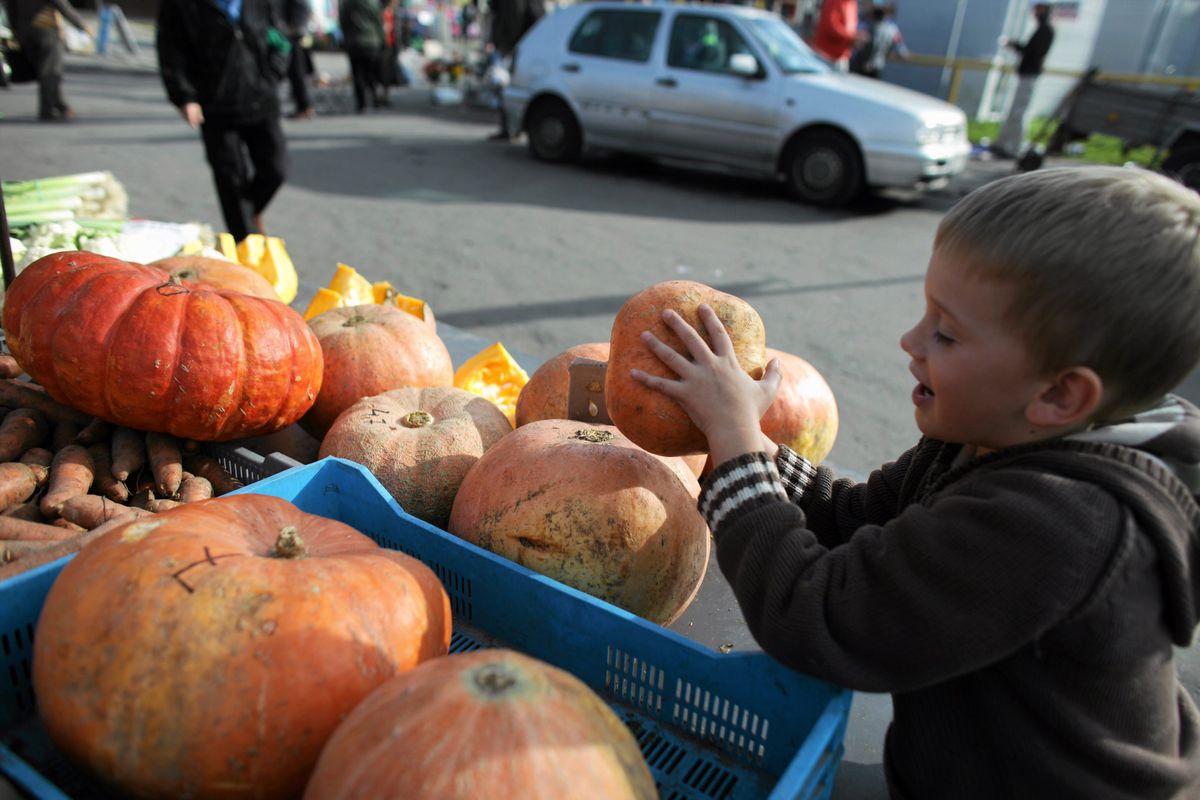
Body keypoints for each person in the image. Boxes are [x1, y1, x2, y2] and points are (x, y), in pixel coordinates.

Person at [630, 165, 1200, 799]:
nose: (910, 340)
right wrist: (752, 448)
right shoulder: (993, 434)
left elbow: (819, 618)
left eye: (946, 332)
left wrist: (738, 449)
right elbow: (858, 519)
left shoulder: (1057, 523)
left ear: (1061, 394)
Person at [158, 0, 290, 244]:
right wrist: (185, 97)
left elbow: (279, 36)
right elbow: (171, 51)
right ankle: (246, 246)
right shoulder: (180, 6)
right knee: (231, 179)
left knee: (276, 169)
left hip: (261, 98)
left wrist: (274, 71)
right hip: (215, 105)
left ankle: (248, 215)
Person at [9, 0, 91, 121]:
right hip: (45, 29)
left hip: (26, 31)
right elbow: (61, 4)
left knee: (45, 70)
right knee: (50, 72)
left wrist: (16, 30)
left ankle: (58, 105)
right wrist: (82, 25)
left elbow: (10, 7)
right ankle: (48, 109)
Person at [992, 2, 1055, 159]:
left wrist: (1014, 45)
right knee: (1014, 111)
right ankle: (1003, 142)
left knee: (1019, 112)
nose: (1035, 13)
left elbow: (1032, 52)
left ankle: (1016, 147)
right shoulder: (1043, 29)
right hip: (1027, 74)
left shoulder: (1046, 30)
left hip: (1030, 75)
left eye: (1038, 10)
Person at [485, 0, 543, 141]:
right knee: (509, 87)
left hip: (513, 47)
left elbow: (512, 18)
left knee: (507, 87)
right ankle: (512, 128)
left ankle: (510, 128)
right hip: (520, 45)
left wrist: (508, 44)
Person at [338, 0, 385, 113]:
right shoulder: (372, 2)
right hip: (372, 41)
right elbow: (378, 21)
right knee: (371, 72)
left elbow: (343, 20)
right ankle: (375, 96)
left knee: (358, 73)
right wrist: (381, 39)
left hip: (354, 42)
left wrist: (346, 37)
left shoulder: (347, 3)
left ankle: (361, 102)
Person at [850, 2, 908, 79]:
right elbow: (902, 51)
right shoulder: (892, 29)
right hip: (877, 65)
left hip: (862, 65)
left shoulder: (869, 26)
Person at [280, 0, 315, 119]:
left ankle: (304, 106)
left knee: (297, 72)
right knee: (296, 72)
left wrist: (293, 29)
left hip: (294, 34)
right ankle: (303, 105)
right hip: (295, 32)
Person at [810, 0, 856, 72]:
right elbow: (830, 27)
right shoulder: (835, 2)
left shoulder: (852, 3)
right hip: (827, 56)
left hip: (841, 56)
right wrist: (852, 37)